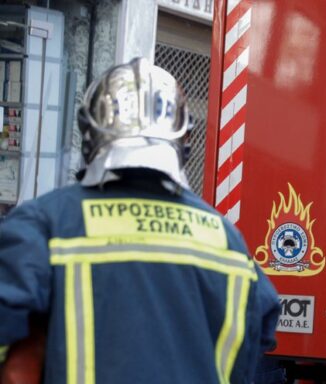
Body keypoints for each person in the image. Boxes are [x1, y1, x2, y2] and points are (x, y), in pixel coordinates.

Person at [0, 58, 282, 383]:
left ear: (89, 133)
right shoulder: (227, 241)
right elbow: (255, 342)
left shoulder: (44, 224)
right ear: (184, 139)